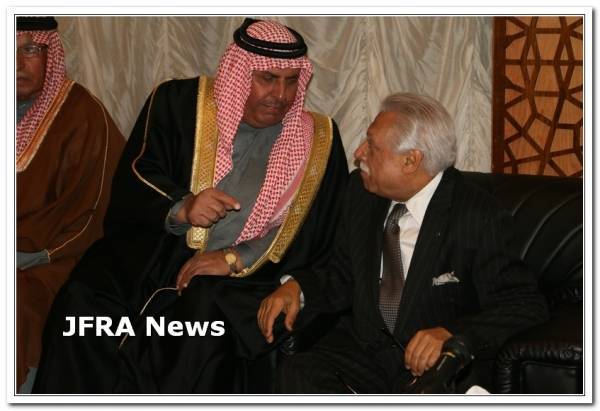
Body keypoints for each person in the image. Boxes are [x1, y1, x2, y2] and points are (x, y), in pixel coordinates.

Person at [33, 18, 348, 393]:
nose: (281, 95)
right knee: (81, 304)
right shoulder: (178, 104)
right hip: (154, 256)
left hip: (238, 281)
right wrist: (182, 207)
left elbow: (317, 230)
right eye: (267, 78)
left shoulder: (318, 140)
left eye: (291, 81)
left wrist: (235, 258)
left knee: (196, 328)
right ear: (240, 72)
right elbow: (137, 172)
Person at [258, 92, 549, 393]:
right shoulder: (360, 192)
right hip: (366, 355)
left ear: (411, 160)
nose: (359, 153)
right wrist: (298, 288)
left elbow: (524, 305)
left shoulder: (477, 215)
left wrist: (452, 334)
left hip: (431, 369)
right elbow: (343, 275)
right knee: (299, 373)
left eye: (372, 146)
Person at [16, 16, 125, 392]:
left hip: (51, 260)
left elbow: (93, 215)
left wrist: (25, 257)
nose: (17, 64)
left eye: (30, 49)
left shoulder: (83, 115)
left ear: (50, 53)